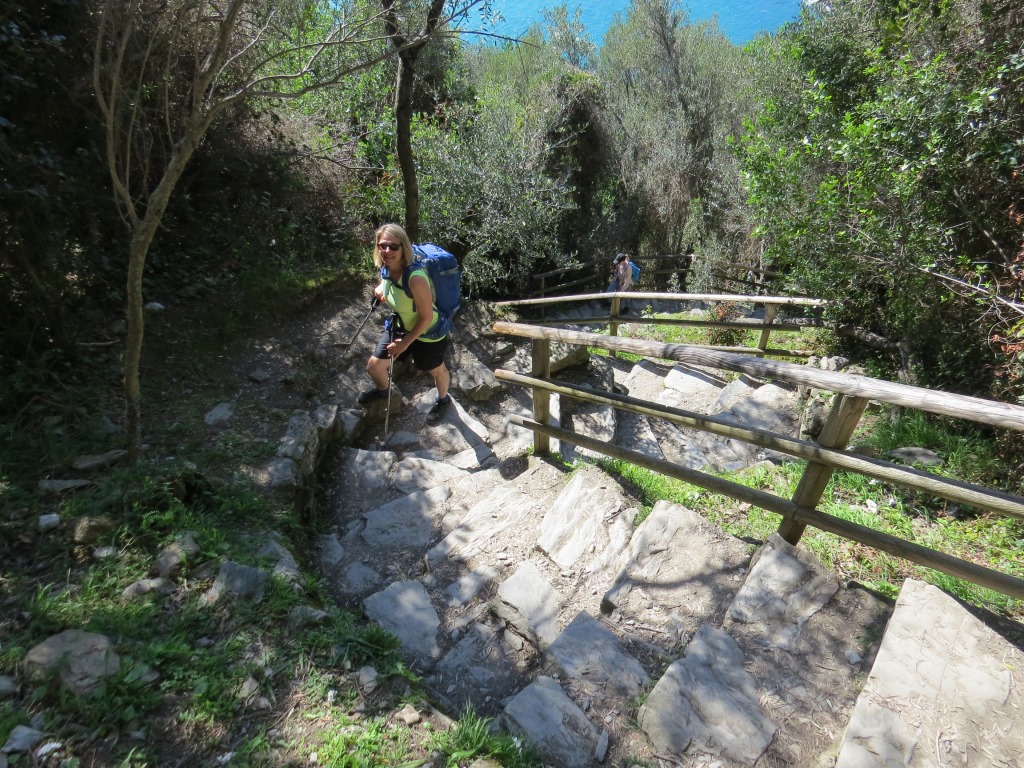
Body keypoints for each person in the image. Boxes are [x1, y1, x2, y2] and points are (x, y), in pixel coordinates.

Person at [357, 223, 452, 423]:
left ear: (404, 248)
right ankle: (384, 391)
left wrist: (404, 344)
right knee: (374, 367)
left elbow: (426, 317)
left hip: (429, 332)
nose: (387, 251)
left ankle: (444, 399)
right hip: (402, 325)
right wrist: (382, 287)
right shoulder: (386, 267)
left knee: (435, 370)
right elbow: (388, 280)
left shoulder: (415, 278)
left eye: (393, 246)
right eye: (382, 246)